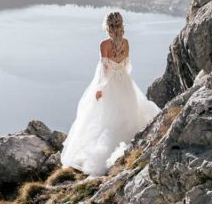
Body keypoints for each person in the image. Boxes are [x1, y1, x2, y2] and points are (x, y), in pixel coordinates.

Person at [60, 11, 161, 175]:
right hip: (126, 83)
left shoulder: (104, 44)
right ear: (121, 25)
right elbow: (127, 66)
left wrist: (100, 89)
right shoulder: (126, 43)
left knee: (106, 117)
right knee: (127, 113)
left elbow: (104, 71)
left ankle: (106, 154)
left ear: (107, 26)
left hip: (111, 85)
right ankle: (128, 144)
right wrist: (121, 74)